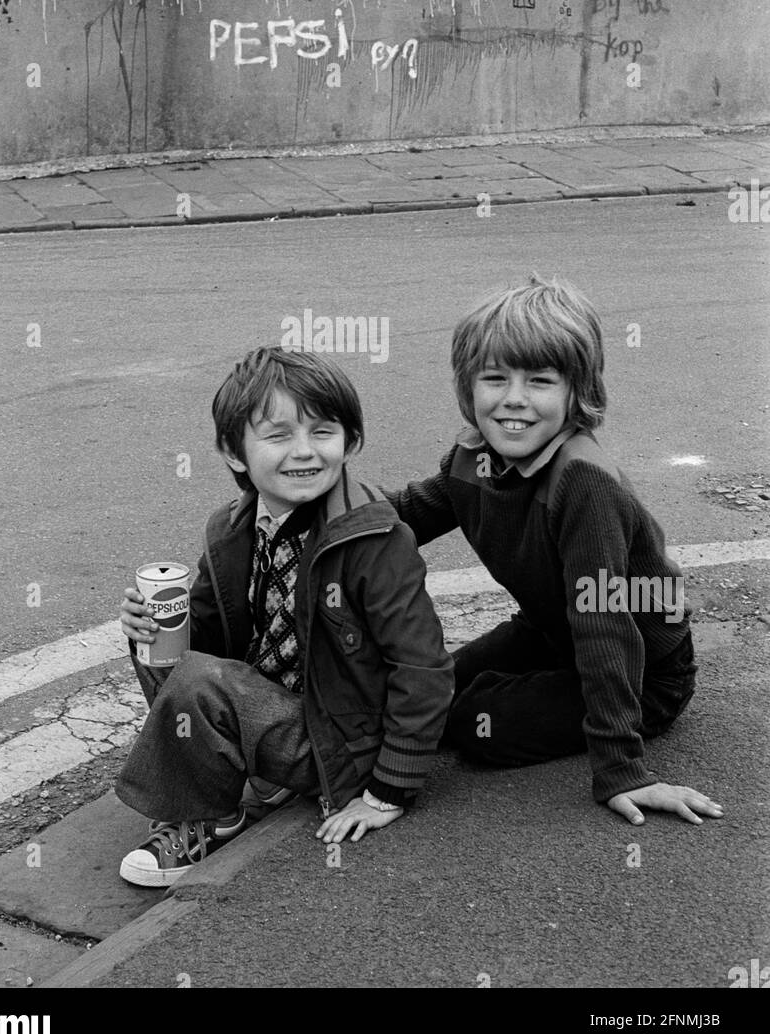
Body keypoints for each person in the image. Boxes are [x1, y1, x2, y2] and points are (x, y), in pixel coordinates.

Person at [387, 274, 724, 827]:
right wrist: (318, 505)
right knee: (427, 695)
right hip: (548, 632)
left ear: (577, 392)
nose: (514, 399)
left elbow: (606, 624)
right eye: (494, 378)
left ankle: (530, 699)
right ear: (468, 387)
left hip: (643, 669)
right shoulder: (474, 457)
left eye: (540, 380)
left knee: (477, 724)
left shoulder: (583, 483)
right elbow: (409, 511)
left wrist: (621, 768)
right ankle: (519, 688)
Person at [115, 345, 454, 886]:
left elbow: (425, 669)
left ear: (351, 440)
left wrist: (390, 790)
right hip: (280, 709)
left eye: (323, 432)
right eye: (278, 436)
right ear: (234, 452)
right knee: (162, 651)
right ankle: (249, 771)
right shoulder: (231, 529)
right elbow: (206, 632)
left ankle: (211, 818)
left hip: (339, 743)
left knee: (200, 681)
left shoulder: (375, 539)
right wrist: (145, 628)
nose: (305, 452)